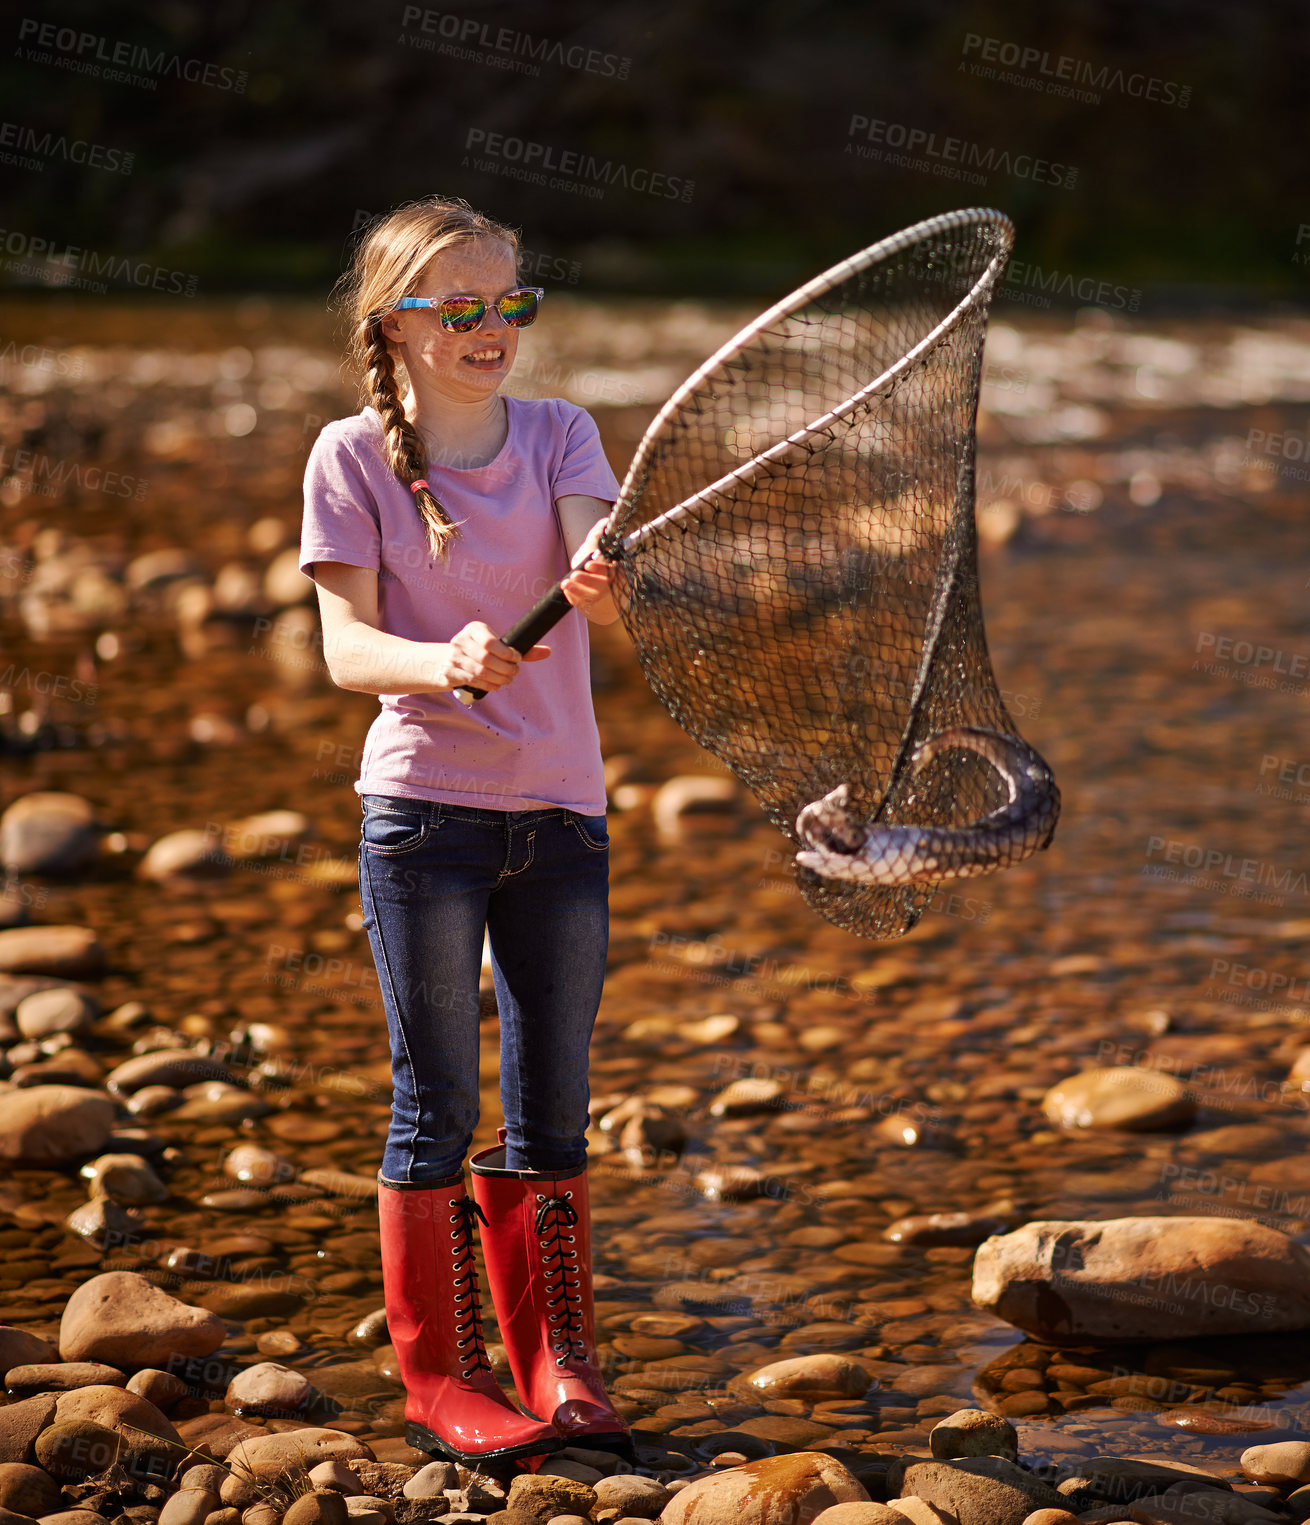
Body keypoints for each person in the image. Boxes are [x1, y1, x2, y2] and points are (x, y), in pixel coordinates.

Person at [298, 195, 629, 1466]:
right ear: (397, 323)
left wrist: (608, 580)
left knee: (555, 1102)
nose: (494, 326)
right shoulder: (349, 457)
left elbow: (605, 578)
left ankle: (559, 1359)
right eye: (463, 307)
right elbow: (343, 650)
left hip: (562, 815)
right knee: (431, 1100)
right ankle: (439, 1376)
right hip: (422, 817)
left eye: (512, 303)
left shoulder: (560, 433)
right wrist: (443, 659)